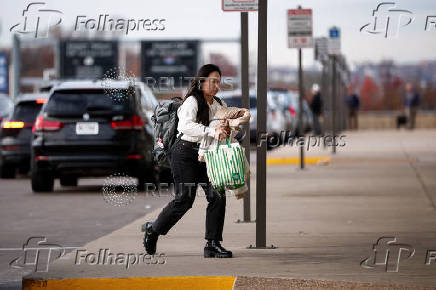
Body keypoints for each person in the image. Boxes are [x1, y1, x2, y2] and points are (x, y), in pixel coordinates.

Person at [143, 64, 233, 258]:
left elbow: (220, 127)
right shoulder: (192, 101)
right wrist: (212, 131)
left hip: (206, 154)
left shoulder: (218, 103)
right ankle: (153, 229)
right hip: (185, 153)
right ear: (202, 82)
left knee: (218, 195)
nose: (216, 85)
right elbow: (186, 126)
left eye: (219, 81)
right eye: (213, 81)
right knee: (184, 200)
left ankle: (212, 244)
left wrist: (226, 129)